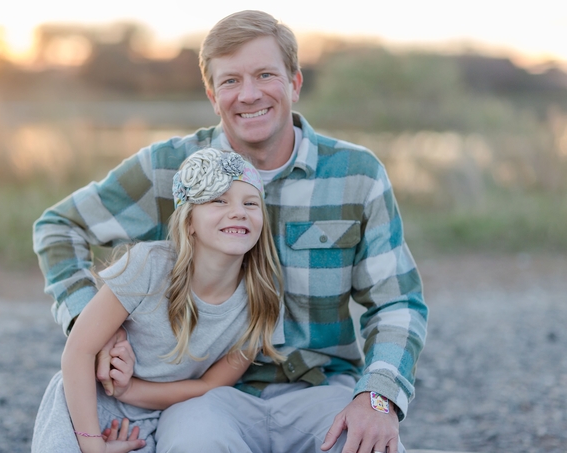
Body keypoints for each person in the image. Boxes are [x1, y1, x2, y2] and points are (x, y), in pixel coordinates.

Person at [33, 9, 428, 453]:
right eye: (230, 81)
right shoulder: (170, 168)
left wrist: (376, 398)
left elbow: (396, 302)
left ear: (295, 83)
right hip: (203, 397)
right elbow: (59, 227)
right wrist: (96, 329)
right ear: (211, 93)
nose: (250, 94)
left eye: (265, 74)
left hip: (323, 390)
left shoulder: (357, 174)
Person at [33, 148, 285, 452]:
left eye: (250, 203)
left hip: (156, 421)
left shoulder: (261, 298)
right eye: (219, 200)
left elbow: (209, 386)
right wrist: (92, 446)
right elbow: (78, 352)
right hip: (85, 410)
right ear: (189, 221)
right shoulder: (148, 266)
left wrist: (129, 390)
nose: (238, 211)